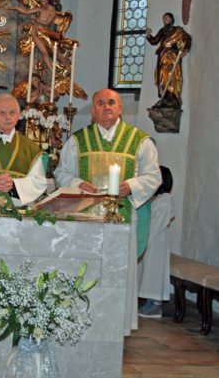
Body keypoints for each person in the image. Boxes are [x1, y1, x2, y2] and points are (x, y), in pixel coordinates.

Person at [54, 88, 161, 335]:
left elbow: (153, 176)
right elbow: (62, 173)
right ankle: (81, 323)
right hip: (86, 218)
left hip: (123, 218)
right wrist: (78, 184)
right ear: (92, 111)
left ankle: (117, 327)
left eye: (111, 102)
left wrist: (130, 186)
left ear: (120, 108)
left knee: (119, 271)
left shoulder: (140, 141)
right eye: (100, 103)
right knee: (86, 270)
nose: (106, 107)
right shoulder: (77, 141)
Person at [138, 166, 175, 318]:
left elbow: (157, 223)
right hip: (152, 241)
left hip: (157, 241)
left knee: (155, 273)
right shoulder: (158, 199)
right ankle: (149, 302)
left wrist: (144, 237)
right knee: (149, 273)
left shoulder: (166, 199)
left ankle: (155, 306)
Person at [146, 12, 192, 107]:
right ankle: (165, 98)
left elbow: (187, 38)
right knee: (163, 77)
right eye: (163, 19)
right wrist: (148, 35)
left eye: (166, 18)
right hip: (162, 57)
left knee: (173, 76)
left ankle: (173, 98)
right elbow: (155, 41)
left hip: (173, 56)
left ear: (171, 19)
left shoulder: (177, 31)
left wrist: (186, 49)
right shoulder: (162, 30)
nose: (165, 20)